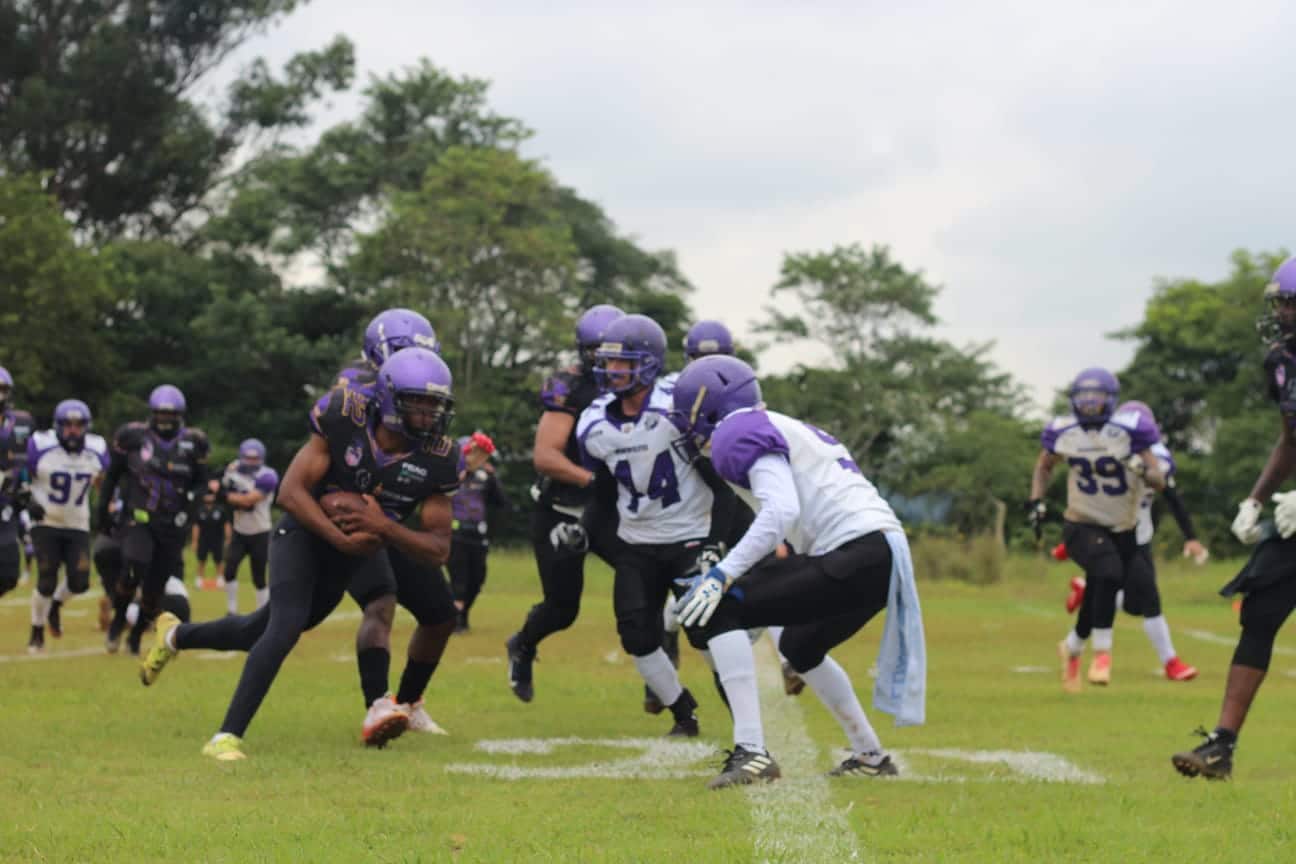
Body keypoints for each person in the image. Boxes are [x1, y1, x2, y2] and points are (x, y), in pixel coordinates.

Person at [138, 348, 459, 761]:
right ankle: (226, 736)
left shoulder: (439, 457)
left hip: (356, 549)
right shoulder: (345, 414)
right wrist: (342, 538)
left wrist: (383, 528)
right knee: (284, 626)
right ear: (390, 399)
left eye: (437, 405)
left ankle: (174, 634)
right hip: (304, 533)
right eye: (421, 403)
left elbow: (437, 549)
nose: (430, 415)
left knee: (255, 629)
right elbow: (290, 493)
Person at [670, 355, 926, 788]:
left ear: (709, 408)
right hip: (883, 553)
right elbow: (790, 519)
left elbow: (781, 510)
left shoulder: (737, 429)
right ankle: (870, 756)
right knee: (800, 646)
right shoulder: (781, 425)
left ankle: (751, 752)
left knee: (713, 610)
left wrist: (723, 575)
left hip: (855, 549)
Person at [577, 314, 746, 737]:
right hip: (638, 541)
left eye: (623, 362)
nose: (612, 370)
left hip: (690, 536)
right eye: (608, 362)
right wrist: (583, 530)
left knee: (707, 633)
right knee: (635, 633)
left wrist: (715, 542)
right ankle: (682, 711)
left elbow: (722, 484)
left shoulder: (679, 405)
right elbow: (602, 492)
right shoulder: (593, 422)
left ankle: (747, 723)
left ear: (649, 363)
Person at [1173, 257, 1296, 780]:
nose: (1283, 313)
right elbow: (1293, 436)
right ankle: (1222, 746)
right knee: (1260, 606)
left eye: (1291, 303)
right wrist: (1256, 497)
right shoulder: (1282, 358)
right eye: (1282, 303)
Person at [505, 304, 624, 703]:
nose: (609, 362)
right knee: (562, 608)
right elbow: (546, 456)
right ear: (583, 352)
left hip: (611, 513)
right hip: (564, 510)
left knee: (647, 577)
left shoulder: (640, 387)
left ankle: (663, 671)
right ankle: (522, 644)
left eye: (617, 352)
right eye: (599, 352)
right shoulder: (570, 387)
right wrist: (597, 480)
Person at [1029, 368, 1164, 691]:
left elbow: (1160, 480)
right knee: (1109, 572)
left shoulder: (1129, 430)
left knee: (1101, 586)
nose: (1089, 404)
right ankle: (1102, 654)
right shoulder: (1064, 431)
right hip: (1081, 522)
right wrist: (1036, 501)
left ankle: (1073, 646)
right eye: (1084, 398)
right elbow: (1044, 465)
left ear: (1110, 400)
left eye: (1096, 398)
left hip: (1122, 527)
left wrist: (1142, 470)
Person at [1060, 401, 1204, 681]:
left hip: (1139, 536)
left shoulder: (1155, 456)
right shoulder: (1100, 453)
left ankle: (1073, 642)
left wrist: (1191, 537)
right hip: (1111, 535)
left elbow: (1170, 493)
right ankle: (1170, 662)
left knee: (1127, 604)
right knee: (1149, 599)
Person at [96, 385, 209, 655]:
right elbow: (113, 475)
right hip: (139, 517)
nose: (165, 421)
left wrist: (189, 511)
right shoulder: (133, 436)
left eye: (171, 416)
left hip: (172, 523)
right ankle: (118, 620)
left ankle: (135, 635)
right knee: (134, 564)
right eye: (161, 415)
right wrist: (103, 510)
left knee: (154, 589)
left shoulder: (194, 442)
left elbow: (201, 483)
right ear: (152, 414)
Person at [25, 399, 109, 652]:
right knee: (47, 579)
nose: (73, 430)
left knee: (80, 582)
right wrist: (27, 499)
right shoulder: (40, 445)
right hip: (46, 521)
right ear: (58, 426)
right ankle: (37, 630)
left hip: (77, 523)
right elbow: (20, 473)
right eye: (68, 425)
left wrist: (109, 505)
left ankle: (56, 606)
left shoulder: (96, 448)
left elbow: (102, 481)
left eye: (78, 425)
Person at [448, 432, 510, 632]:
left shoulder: (485, 477)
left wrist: (492, 477)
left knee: (477, 580)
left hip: (478, 534)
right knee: (459, 580)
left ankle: (463, 614)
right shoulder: (449, 476)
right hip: (455, 533)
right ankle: (454, 620)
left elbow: (501, 503)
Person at [218, 439, 279, 613]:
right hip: (239, 531)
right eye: (248, 458)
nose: (251, 461)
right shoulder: (233, 469)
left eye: (255, 458)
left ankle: (262, 612)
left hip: (260, 531)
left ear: (262, 458)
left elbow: (248, 501)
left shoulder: (268, 475)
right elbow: (222, 484)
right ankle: (231, 610)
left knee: (258, 576)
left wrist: (224, 496)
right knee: (229, 570)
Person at [0, 367, 35, 599]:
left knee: (8, 573)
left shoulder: (23, 421)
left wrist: (27, 488)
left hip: (8, 503)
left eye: (2, 390)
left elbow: (32, 460)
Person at [192, 482, 229, 590]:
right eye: (207, 494)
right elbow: (196, 526)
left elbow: (226, 524)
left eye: (211, 494)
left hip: (217, 539)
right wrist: (195, 541)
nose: (209, 496)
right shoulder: (199, 510)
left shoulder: (220, 509)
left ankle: (220, 579)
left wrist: (228, 539)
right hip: (203, 539)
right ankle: (199, 580)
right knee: (201, 560)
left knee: (219, 560)